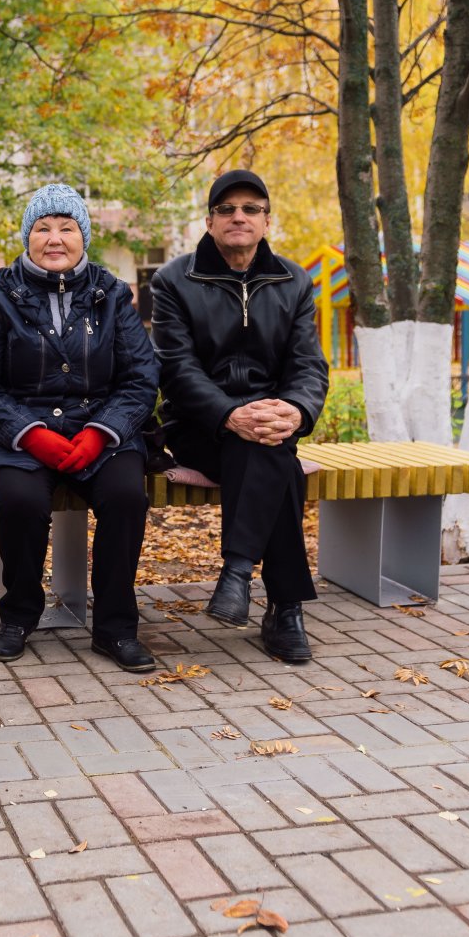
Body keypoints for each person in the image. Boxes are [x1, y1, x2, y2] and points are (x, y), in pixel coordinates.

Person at [0, 184, 162, 672]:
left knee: (128, 497)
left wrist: (102, 432)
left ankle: (115, 628)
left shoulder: (112, 295)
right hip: (19, 436)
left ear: (82, 237)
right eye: (42, 228)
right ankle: (18, 615)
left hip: (101, 433)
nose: (55, 238)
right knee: (23, 502)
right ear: (27, 238)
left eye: (66, 227)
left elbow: (141, 377)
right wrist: (29, 433)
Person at [149, 169, 329, 663]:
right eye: (227, 210)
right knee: (276, 460)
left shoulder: (293, 281)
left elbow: (308, 365)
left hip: (272, 425)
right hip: (198, 426)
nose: (239, 217)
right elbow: (177, 369)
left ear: (267, 221)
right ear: (209, 222)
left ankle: (237, 575)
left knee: (269, 450)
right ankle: (285, 608)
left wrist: (295, 410)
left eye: (251, 209)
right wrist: (230, 414)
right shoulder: (174, 281)